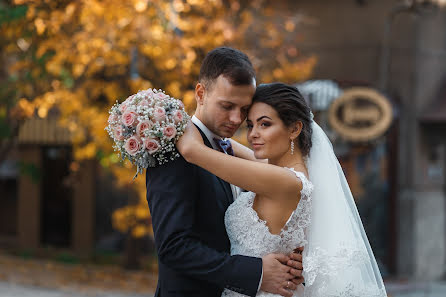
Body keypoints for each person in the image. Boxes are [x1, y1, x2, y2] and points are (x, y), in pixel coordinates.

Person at [176, 83, 388, 297]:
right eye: (250, 125)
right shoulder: (286, 174)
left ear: (294, 129)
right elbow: (225, 144)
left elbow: (192, 150)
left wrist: (161, 115)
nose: (252, 135)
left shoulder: (284, 181)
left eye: (265, 124)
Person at [145, 48, 304, 297]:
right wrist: (257, 272)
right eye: (227, 106)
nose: (236, 118)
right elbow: (173, 247)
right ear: (201, 93)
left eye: (244, 110)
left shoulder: (227, 150)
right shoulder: (173, 150)